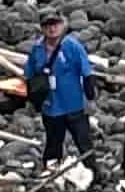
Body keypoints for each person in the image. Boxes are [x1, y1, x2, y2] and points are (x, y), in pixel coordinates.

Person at [20, 17, 94, 178]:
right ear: (42, 28)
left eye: (55, 25)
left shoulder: (72, 46)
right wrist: (32, 99)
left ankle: (93, 173)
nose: (52, 29)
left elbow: (87, 71)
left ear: (62, 25)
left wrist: (90, 94)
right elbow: (29, 74)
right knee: (53, 141)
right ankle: (51, 173)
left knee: (83, 140)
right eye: (48, 26)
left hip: (73, 103)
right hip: (50, 105)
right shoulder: (37, 48)